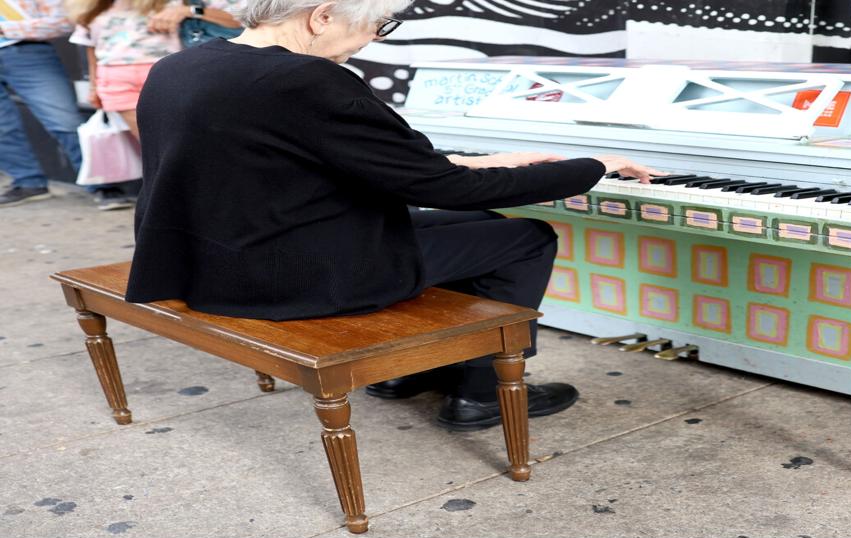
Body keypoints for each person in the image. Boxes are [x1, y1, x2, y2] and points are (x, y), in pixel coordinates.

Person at [124, 0, 663, 431]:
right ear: (322, 16)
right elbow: (446, 190)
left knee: (485, 226)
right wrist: (590, 167)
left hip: (219, 260)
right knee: (528, 237)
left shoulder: (181, 67)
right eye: (376, 26)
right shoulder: (305, 80)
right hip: (294, 276)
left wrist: (479, 161)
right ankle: (481, 394)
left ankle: (413, 369)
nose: (370, 41)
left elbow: (301, 160)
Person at [0, 0, 129, 209]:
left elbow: (65, 21)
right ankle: (28, 182)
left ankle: (102, 185)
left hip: (27, 51)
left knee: (64, 121)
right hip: (24, 49)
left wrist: (5, 28)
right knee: (1, 128)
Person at [66, 0, 180, 141]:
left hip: (165, 76)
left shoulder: (169, 3)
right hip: (117, 82)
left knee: (178, 139)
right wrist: (93, 87)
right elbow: (92, 49)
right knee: (152, 142)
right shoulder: (89, 7)